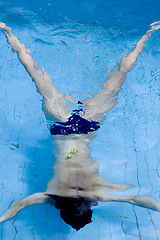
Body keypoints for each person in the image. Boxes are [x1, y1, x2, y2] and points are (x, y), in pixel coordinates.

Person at [0, 21, 160, 230]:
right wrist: (2, 219)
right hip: (61, 128)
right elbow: (19, 205)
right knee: (38, 77)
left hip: (87, 127)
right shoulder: (51, 197)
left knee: (118, 77)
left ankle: (146, 36)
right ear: (61, 210)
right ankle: (8, 33)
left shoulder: (95, 194)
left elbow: (135, 199)